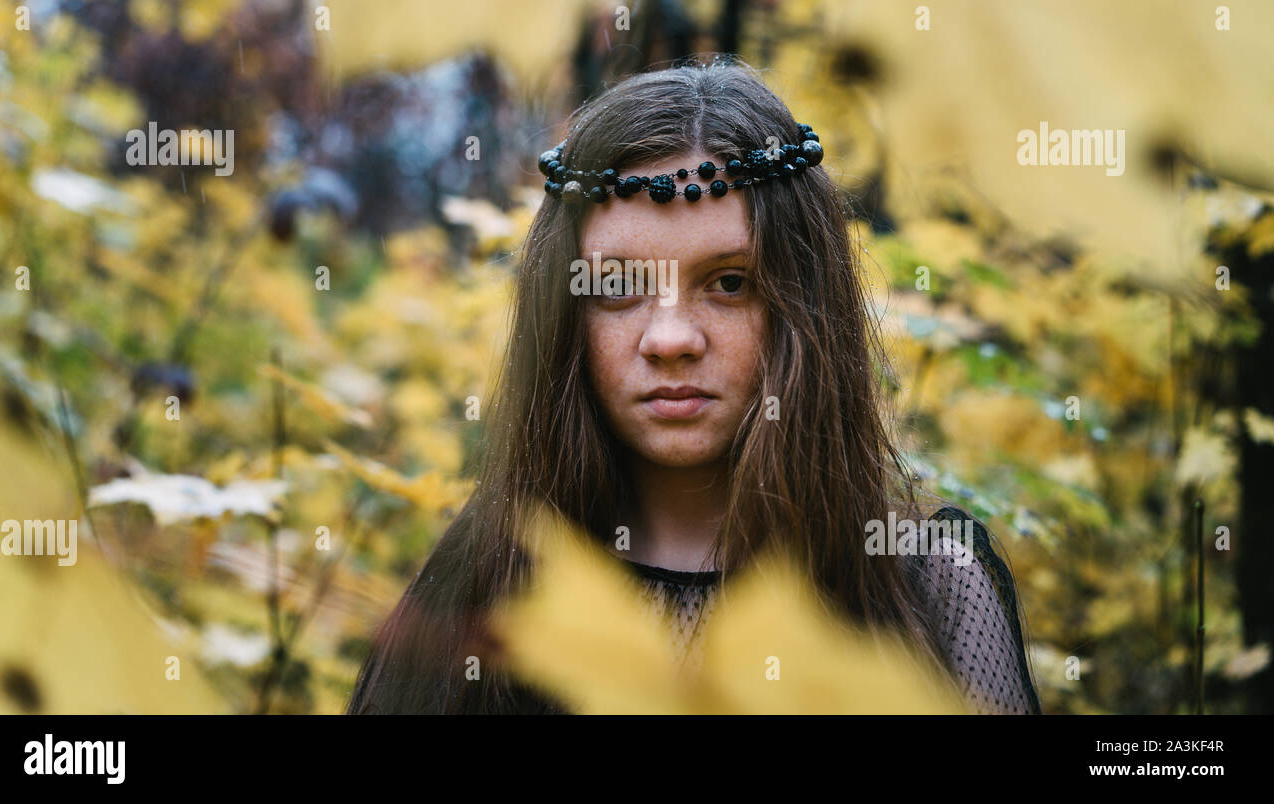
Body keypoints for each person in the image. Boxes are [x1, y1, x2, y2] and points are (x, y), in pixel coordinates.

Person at [346, 56, 1042, 715]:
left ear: (802, 306)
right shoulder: (477, 588)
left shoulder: (932, 590)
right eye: (617, 286)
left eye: (730, 283)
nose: (671, 338)